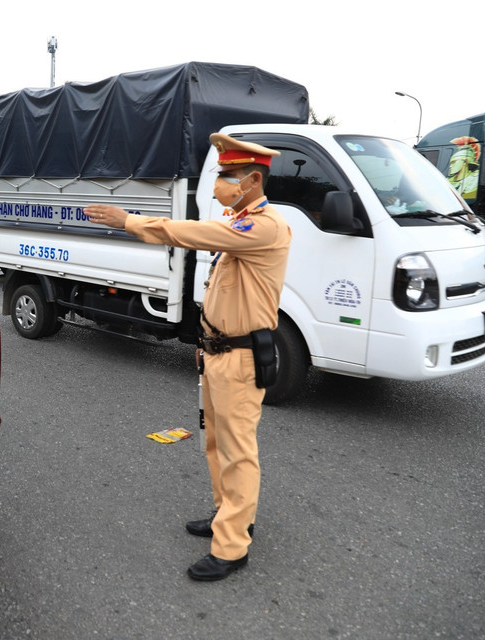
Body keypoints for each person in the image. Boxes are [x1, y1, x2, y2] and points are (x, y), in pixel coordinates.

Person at [85, 133, 291, 581]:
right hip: (218, 353)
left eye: (226, 176)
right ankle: (225, 516)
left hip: (239, 359)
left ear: (253, 179)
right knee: (215, 445)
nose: (217, 184)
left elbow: (196, 234)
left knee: (238, 452)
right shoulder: (241, 221)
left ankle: (233, 546)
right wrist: (203, 343)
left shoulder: (264, 225)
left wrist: (131, 221)